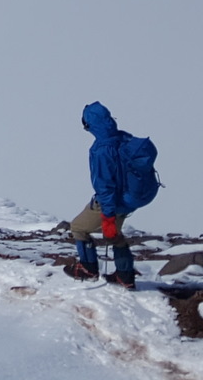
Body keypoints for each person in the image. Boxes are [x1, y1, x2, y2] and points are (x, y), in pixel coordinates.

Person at [67, 101, 139, 287]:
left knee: (78, 227)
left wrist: (107, 215)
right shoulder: (124, 138)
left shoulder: (101, 149)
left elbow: (104, 184)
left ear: (88, 124)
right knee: (114, 234)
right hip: (130, 198)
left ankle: (88, 269)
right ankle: (125, 275)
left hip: (112, 201)